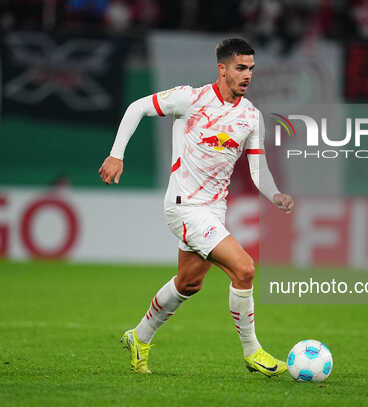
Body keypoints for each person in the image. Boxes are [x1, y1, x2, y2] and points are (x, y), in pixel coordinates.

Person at [98, 38, 294, 376]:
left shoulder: (250, 116)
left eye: (251, 69)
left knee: (188, 283)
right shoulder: (191, 99)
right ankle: (253, 351)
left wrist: (274, 193)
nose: (248, 75)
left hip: (214, 210)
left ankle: (138, 337)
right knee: (244, 269)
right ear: (222, 69)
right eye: (240, 68)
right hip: (184, 206)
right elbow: (137, 107)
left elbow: (258, 168)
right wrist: (117, 154)